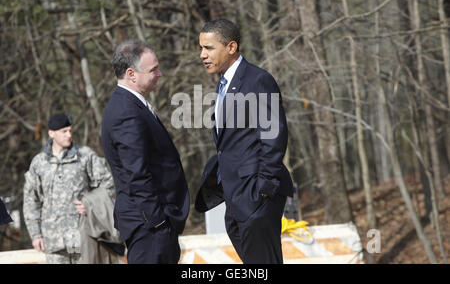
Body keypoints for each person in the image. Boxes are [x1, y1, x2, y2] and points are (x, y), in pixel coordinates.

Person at [195, 18, 294, 264]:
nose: (202, 55)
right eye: (201, 48)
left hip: (256, 198)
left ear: (231, 47)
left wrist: (263, 191)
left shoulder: (257, 80)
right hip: (237, 200)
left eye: (209, 48)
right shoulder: (224, 84)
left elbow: (274, 136)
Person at [101, 39, 190, 264]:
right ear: (131, 73)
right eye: (153, 70)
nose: (159, 74)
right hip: (149, 226)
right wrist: (158, 221)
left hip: (151, 224)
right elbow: (137, 173)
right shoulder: (126, 112)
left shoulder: (132, 105)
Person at [23, 113, 116, 264]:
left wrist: (90, 204)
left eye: (71, 131)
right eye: (64, 131)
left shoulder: (85, 156)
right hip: (53, 242)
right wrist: (35, 234)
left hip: (84, 239)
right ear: (51, 133)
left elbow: (108, 185)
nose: (69, 135)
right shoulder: (39, 163)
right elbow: (31, 200)